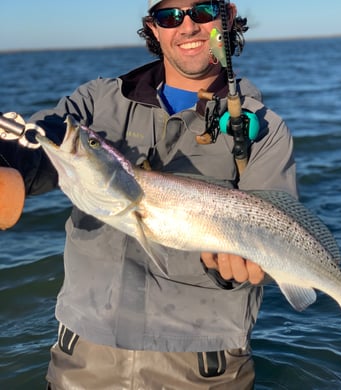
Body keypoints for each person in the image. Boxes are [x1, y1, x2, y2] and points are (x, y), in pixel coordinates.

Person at [0, 0, 298, 388]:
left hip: (205, 368)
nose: (187, 26)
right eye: (170, 16)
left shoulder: (265, 130)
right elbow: (32, 148)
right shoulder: (94, 104)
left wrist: (244, 267)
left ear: (226, 15)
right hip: (84, 359)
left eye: (202, 11)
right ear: (153, 28)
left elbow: (277, 231)